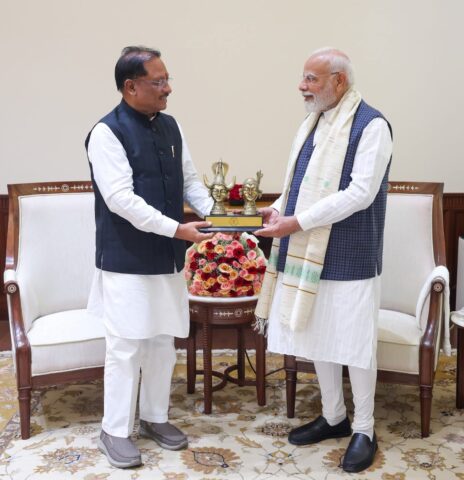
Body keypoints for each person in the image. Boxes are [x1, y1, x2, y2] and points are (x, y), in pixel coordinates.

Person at [255, 47, 392, 473]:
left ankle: (364, 428)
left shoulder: (372, 126)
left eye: (311, 79)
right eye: (304, 78)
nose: (302, 86)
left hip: (351, 253)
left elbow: (360, 193)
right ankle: (334, 417)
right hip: (308, 251)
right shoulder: (313, 122)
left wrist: (296, 222)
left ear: (339, 81)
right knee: (319, 335)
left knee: (354, 342)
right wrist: (277, 209)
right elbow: (297, 183)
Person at [85, 46, 213, 469]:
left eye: (167, 79)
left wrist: (221, 216)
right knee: (125, 346)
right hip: (126, 259)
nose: (167, 89)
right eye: (158, 82)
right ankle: (114, 430)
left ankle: (155, 417)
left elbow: (190, 181)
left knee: (162, 341)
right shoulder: (106, 133)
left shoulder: (171, 125)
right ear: (130, 86)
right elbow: (121, 200)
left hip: (168, 258)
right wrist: (177, 229)